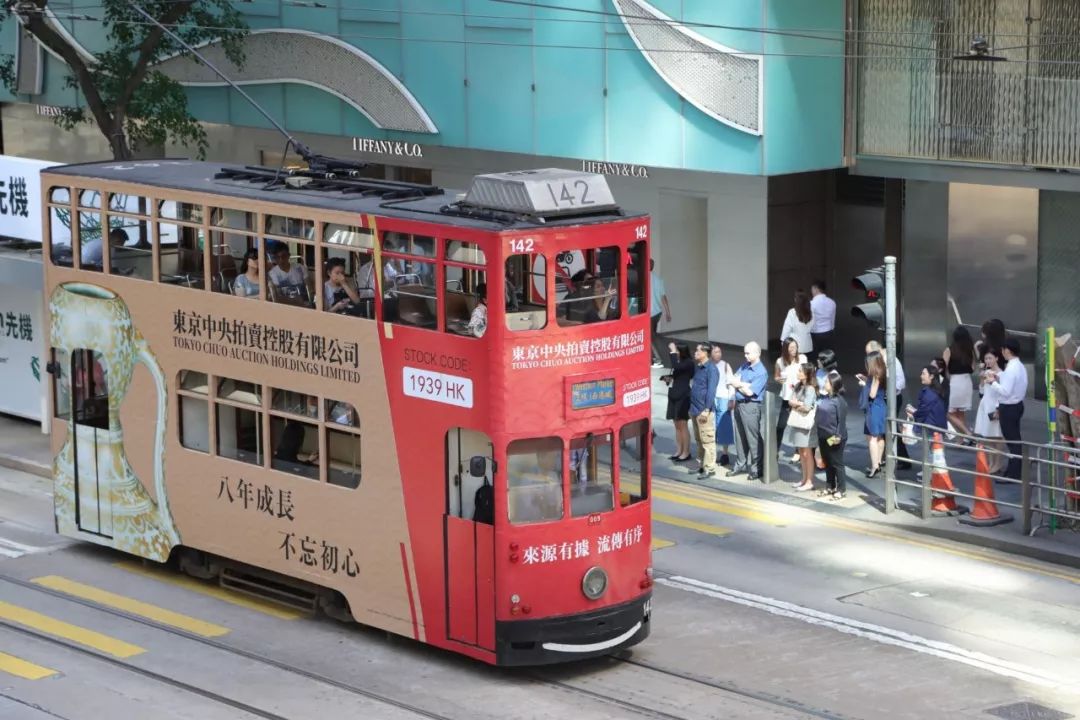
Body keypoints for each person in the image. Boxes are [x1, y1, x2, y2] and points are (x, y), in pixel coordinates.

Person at [866, 340, 913, 470]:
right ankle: (892, 457)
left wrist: (886, 390)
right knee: (887, 428)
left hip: (893, 398)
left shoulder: (891, 360)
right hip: (885, 398)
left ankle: (902, 458)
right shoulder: (881, 360)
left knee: (890, 428)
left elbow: (901, 382)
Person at [728, 341, 768, 480]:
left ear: (757, 353)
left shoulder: (761, 371)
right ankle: (740, 464)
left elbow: (750, 393)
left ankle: (757, 468)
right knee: (739, 436)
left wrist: (739, 384)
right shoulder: (745, 366)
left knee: (753, 438)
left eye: (748, 353)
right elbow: (733, 379)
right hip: (739, 404)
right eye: (745, 352)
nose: (745, 356)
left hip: (751, 406)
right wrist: (742, 385)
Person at [989, 338, 1027, 480]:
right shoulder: (1018, 365)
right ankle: (1014, 470)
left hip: (1009, 407)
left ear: (1007, 350)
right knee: (1014, 440)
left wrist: (992, 382)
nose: (1002, 352)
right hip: (1016, 405)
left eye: (1003, 349)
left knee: (1013, 441)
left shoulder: (1011, 368)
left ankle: (1014, 473)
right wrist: (998, 375)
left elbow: (1005, 391)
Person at [784, 363, 819, 492]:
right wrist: (798, 404)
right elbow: (790, 400)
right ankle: (804, 479)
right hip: (798, 423)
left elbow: (807, 407)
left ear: (807, 374)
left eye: (800, 371)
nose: (798, 372)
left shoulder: (810, 388)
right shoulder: (799, 386)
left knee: (807, 453)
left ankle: (809, 481)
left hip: (806, 425)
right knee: (801, 452)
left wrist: (796, 404)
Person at [816, 371, 848, 500]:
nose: (824, 383)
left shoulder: (839, 401)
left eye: (827, 382)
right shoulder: (826, 397)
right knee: (827, 461)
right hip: (823, 435)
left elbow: (841, 421)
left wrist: (837, 437)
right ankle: (830, 486)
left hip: (833, 436)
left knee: (836, 463)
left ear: (833, 384)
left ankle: (842, 489)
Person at [974, 347, 1006, 475]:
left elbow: (1002, 392)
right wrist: (981, 379)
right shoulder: (986, 372)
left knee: (996, 435)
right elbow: (981, 390)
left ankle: (997, 463)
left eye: (990, 358)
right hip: (985, 404)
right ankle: (992, 462)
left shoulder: (1002, 374)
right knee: (987, 435)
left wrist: (998, 408)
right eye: (986, 358)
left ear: (997, 358)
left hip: (994, 404)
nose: (988, 360)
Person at [690, 343, 720, 478]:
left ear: (705, 353)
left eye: (697, 350)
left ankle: (710, 468)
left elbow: (711, 391)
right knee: (699, 439)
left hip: (704, 411)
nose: (695, 352)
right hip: (694, 410)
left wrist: (707, 409)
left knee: (707, 440)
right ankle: (701, 465)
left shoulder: (711, 369)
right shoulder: (699, 367)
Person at [943, 325, 976, 443]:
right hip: (967, 381)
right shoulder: (970, 350)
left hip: (954, 381)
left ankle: (966, 433)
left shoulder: (949, 349)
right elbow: (973, 368)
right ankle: (961, 438)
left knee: (947, 411)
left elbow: (944, 367)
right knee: (960, 411)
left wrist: (946, 380)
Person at [663, 343, 695, 462]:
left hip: (683, 396)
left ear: (681, 351)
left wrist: (671, 351)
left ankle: (686, 452)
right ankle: (679, 450)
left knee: (683, 425)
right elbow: (677, 372)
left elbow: (677, 366)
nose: (675, 352)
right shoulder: (680, 363)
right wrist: (669, 378)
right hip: (674, 394)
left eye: (676, 350)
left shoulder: (688, 363)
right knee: (676, 425)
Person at [774, 337, 804, 462]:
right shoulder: (780, 361)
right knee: (781, 425)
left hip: (798, 397)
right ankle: (774, 450)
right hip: (787, 397)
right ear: (785, 349)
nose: (794, 350)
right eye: (791, 347)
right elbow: (776, 376)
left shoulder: (802, 359)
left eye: (795, 347)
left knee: (797, 425)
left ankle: (798, 452)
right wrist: (778, 379)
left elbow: (807, 374)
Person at [859, 352, 887, 478]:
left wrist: (864, 385)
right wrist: (866, 380)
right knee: (880, 436)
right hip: (881, 407)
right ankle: (879, 462)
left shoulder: (875, 375)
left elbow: (872, 394)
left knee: (872, 438)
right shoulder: (881, 373)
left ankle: (875, 466)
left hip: (874, 408)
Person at [710, 344, 735, 467]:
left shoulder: (725, 365)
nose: (718, 354)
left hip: (724, 397)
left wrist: (732, 399)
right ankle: (712, 453)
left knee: (724, 426)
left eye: (719, 351)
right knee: (712, 426)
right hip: (712, 398)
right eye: (715, 352)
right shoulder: (709, 366)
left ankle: (725, 454)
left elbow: (731, 383)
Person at [906, 366, 948, 434]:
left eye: (923, 374)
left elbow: (924, 411)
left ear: (931, 376)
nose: (921, 376)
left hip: (931, 429)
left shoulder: (930, 393)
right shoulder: (936, 391)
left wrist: (913, 414)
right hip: (936, 428)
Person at [649, 259, 672, 368]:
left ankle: (658, 359)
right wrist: (668, 312)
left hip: (649, 314)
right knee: (652, 335)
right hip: (657, 313)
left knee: (650, 337)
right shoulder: (658, 280)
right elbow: (664, 297)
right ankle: (652, 357)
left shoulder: (642, 278)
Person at [780, 290, 814, 362]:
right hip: (808, 346)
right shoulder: (811, 312)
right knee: (805, 369)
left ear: (796, 300)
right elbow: (813, 328)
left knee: (795, 369)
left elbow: (786, 329)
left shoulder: (792, 312)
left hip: (794, 346)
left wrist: (783, 342)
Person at [809, 280, 836, 361]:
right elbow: (832, 320)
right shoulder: (832, 302)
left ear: (816, 289)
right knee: (828, 358)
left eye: (812, 289)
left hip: (815, 335)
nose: (811, 291)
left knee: (815, 359)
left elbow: (810, 321)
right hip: (829, 333)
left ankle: (817, 373)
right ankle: (829, 372)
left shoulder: (811, 303)